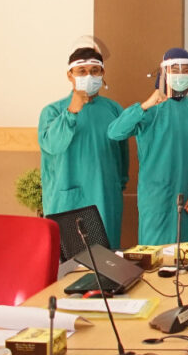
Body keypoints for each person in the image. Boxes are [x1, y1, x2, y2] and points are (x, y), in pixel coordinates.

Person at [107, 48, 188, 245]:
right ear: (164, 73)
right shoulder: (150, 110)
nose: (181, 74)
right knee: (156, 257)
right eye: (175, 69)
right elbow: (115, 132)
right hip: (156, 202)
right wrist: (144, 106)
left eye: (186, 70)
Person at [38, 46, 129, 248]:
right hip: (66, 200)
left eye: (94, 71)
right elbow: (53, 145)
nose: (89, 76)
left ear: (102, 73)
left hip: (105, 195)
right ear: (69, 75)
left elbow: (122, 156)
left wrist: (117, 185)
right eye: (82, 71)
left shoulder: (114, 109)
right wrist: (72, 111)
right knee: (69, 259)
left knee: (105, 257)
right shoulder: (53, 111)